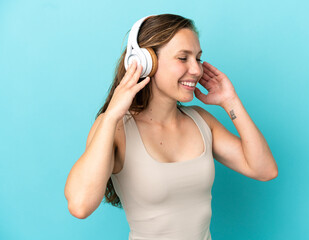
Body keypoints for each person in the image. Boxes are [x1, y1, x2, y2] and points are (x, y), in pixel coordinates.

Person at [64, 13, 278, 239]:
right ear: (145, 62)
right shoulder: (116, 128)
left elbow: (264, 170)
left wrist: (231, 102)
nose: (196, 70)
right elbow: (80, 205)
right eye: (183, 58)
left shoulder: (201, 121)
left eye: (198, 58)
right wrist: (111, 116)